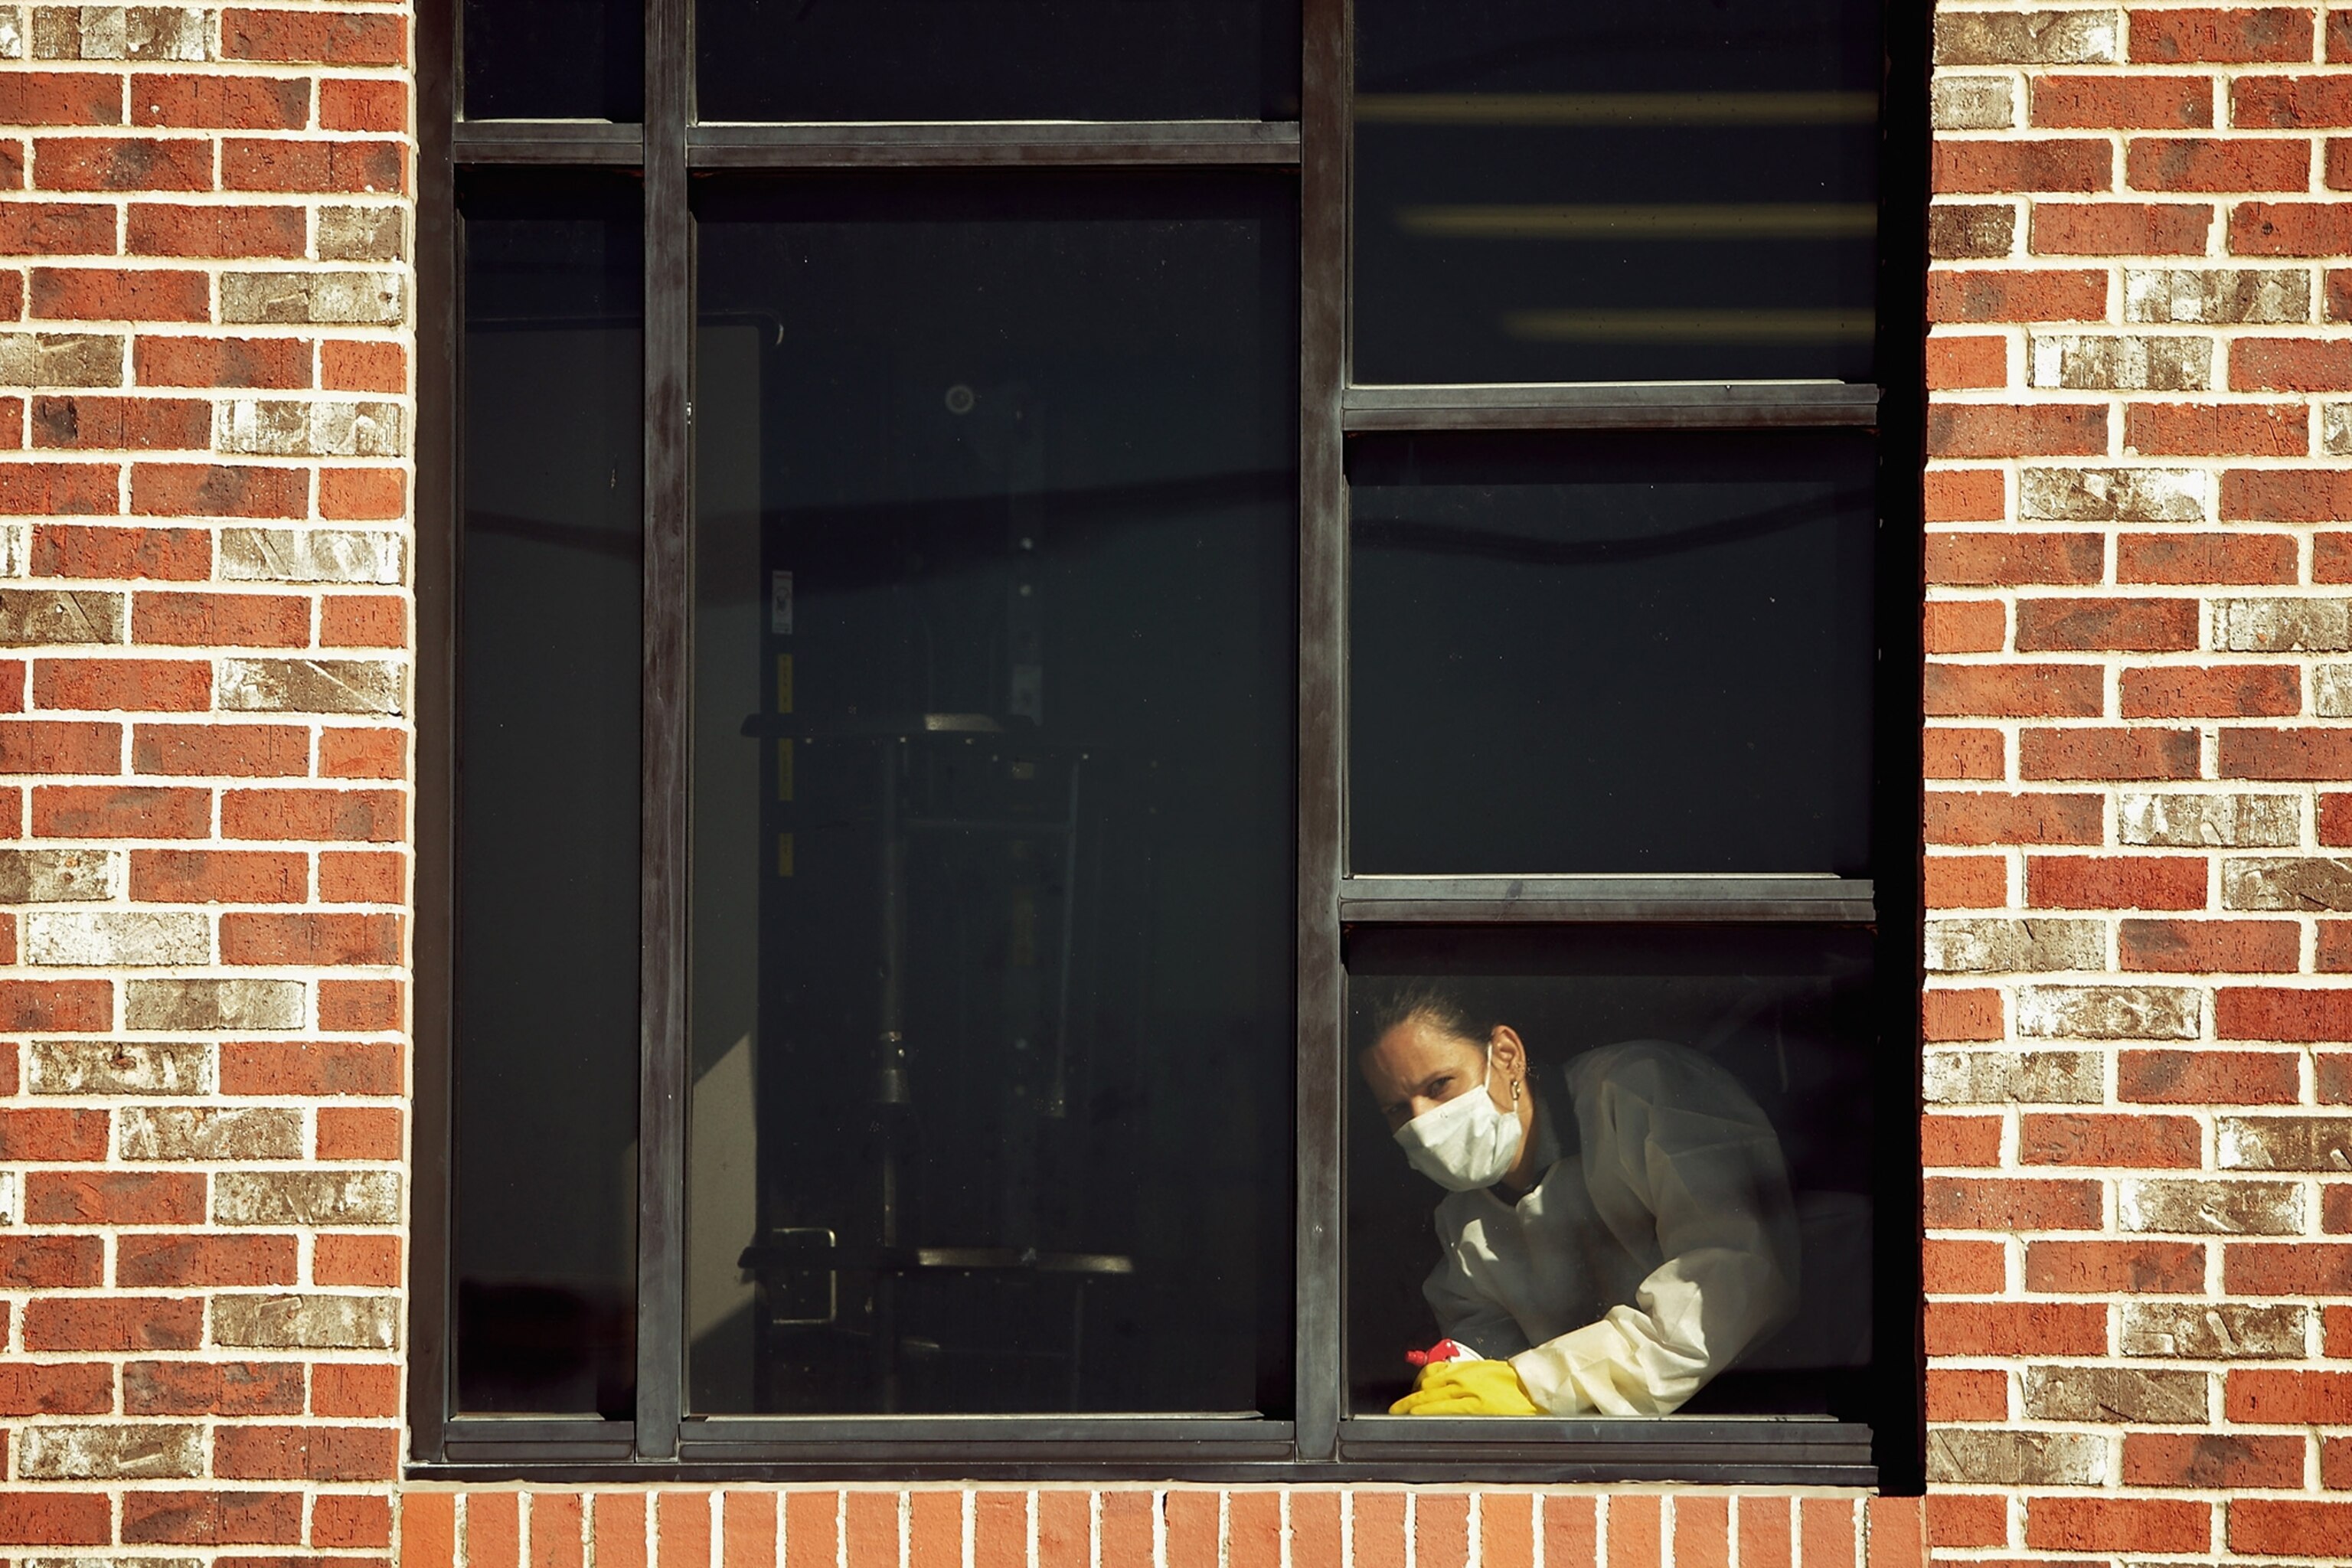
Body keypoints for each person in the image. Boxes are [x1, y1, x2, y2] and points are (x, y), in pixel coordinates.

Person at [1359, 986, 1801, 1417]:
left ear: (1508, 1055)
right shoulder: (1462, 1224)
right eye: (1397, 1109)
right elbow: (1486, 1365)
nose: (1423, 1122)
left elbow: (1729, 1286)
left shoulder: (1639, 1092)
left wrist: (1531, 1384)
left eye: (1439, 1085)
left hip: (1779, 1415)